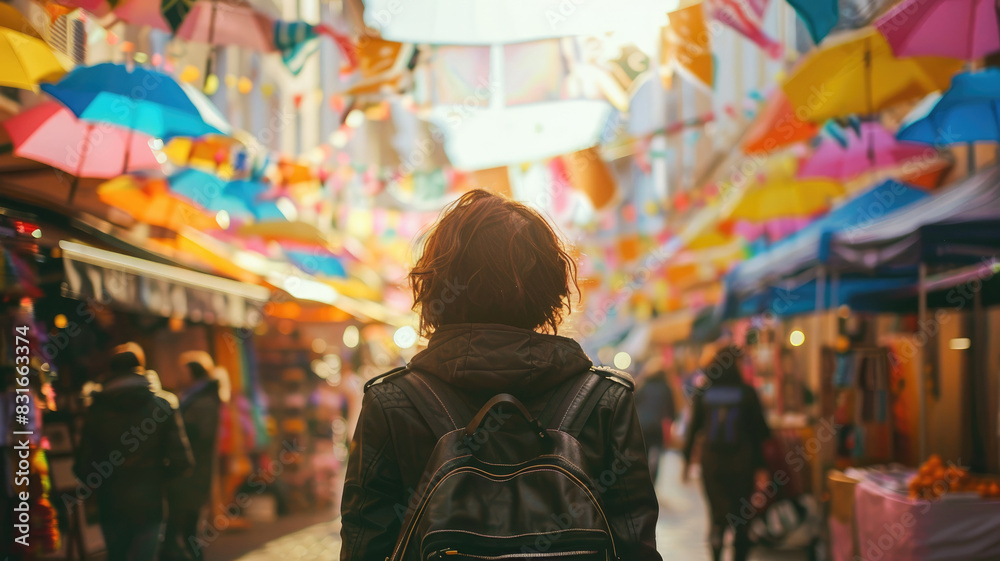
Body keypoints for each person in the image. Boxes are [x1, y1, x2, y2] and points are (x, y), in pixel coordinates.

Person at [340, 189, 661, 560]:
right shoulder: (605, 399)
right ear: (551, 289)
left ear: (435, 286)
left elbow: (364, 546)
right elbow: (636, 546)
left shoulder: (392, 402)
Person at [74, 343, 193, 561]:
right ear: (141, 368)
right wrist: (156, 477)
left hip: (110, 501)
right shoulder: (163, 406)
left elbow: (82, 466)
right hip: (150, 501)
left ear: (111, 371)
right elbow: (182, 461)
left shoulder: (96, 410)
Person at [682, 345, 771, 561]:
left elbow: (693, 429)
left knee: (717, 518)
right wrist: (761, 467)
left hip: (712, 463)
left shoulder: (704, 392)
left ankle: (716, 552)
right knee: (741, 519)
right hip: (742, 463)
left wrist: (686, 463)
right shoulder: (747, 393)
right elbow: (760, 433)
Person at [163, 351, 222, 561]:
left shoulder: (203, 400)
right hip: (192, 474)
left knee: (184, 532)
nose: (180, 376)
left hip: (193, 474)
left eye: (184, 371)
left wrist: (174, 428)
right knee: (186, 533)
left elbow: (200, 435)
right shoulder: (194, 397)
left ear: (194, 374)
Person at [635, 365, 676, 482]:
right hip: (657, 426)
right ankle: (653, 478)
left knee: (643, 451)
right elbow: (671, 409)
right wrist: (672, 420)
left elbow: (634, 402)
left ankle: (643, 476)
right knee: (657, 450)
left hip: (642, 425)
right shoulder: (666, 388)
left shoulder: (643, 386)